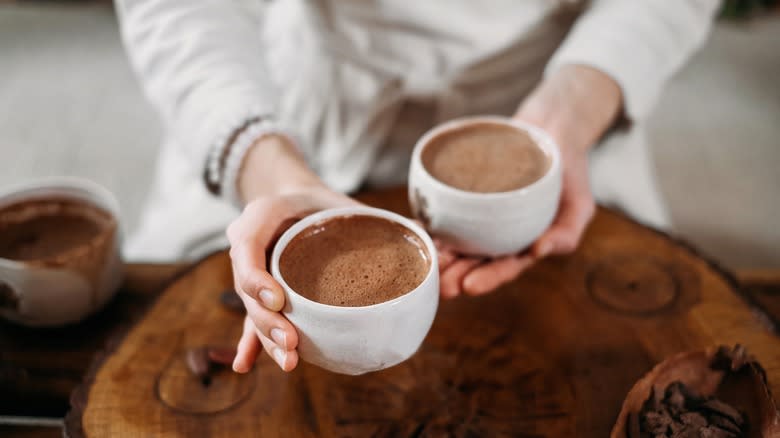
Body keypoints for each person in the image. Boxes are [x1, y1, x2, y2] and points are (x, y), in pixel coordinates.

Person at [116, 0, 720, 372]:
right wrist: (266, 167)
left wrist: (574, 105)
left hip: (555, 99)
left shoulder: (566, 114)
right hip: (295, 118)